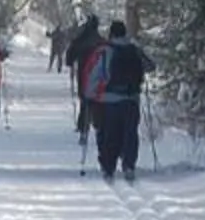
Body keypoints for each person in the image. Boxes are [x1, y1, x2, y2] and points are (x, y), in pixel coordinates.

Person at [81, 20, 153, 182]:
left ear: (111, 34)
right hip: (132, 99)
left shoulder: (105, 51)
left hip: (109, 100)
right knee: (130, 133)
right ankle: (129, 165)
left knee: (110, 134)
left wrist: (89, 94)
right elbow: (150, 66)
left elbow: (96, 74)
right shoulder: (134, 49)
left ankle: (108, 168)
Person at [63, 10, 104, 146]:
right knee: (98, 101)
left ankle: (84, 129)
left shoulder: (80, 40)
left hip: (84, 74)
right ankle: (99, 127)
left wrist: (71, 62)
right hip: (100, 76)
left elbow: (69, 57)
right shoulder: (101, 41)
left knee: (85, 101)